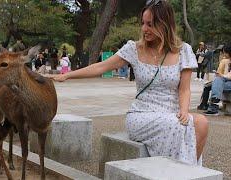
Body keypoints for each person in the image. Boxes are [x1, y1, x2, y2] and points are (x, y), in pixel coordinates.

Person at [48, 0, 208, 165]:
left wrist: (183, 110)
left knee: (201, 123)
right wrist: (67, 75)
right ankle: (178, 172)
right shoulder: (134, 48)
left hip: (172, 113)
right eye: (143, 23)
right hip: (142, 115)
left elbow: (184, 90)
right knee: (178, 126)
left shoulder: (184, 50)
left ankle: (188, 171)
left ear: (165, 24)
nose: (144, 29)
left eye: (150, 24)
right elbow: (101, 67)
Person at [197, 44, 231, 110]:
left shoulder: (224, 61)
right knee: (215, 82)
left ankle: (206, 104)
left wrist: (220, 75)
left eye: (224, 53)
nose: (223, 54)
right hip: (224, 80)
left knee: (209, 85)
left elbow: (223, 73)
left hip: (226, 81)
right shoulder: (226, 60)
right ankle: (213, 102)